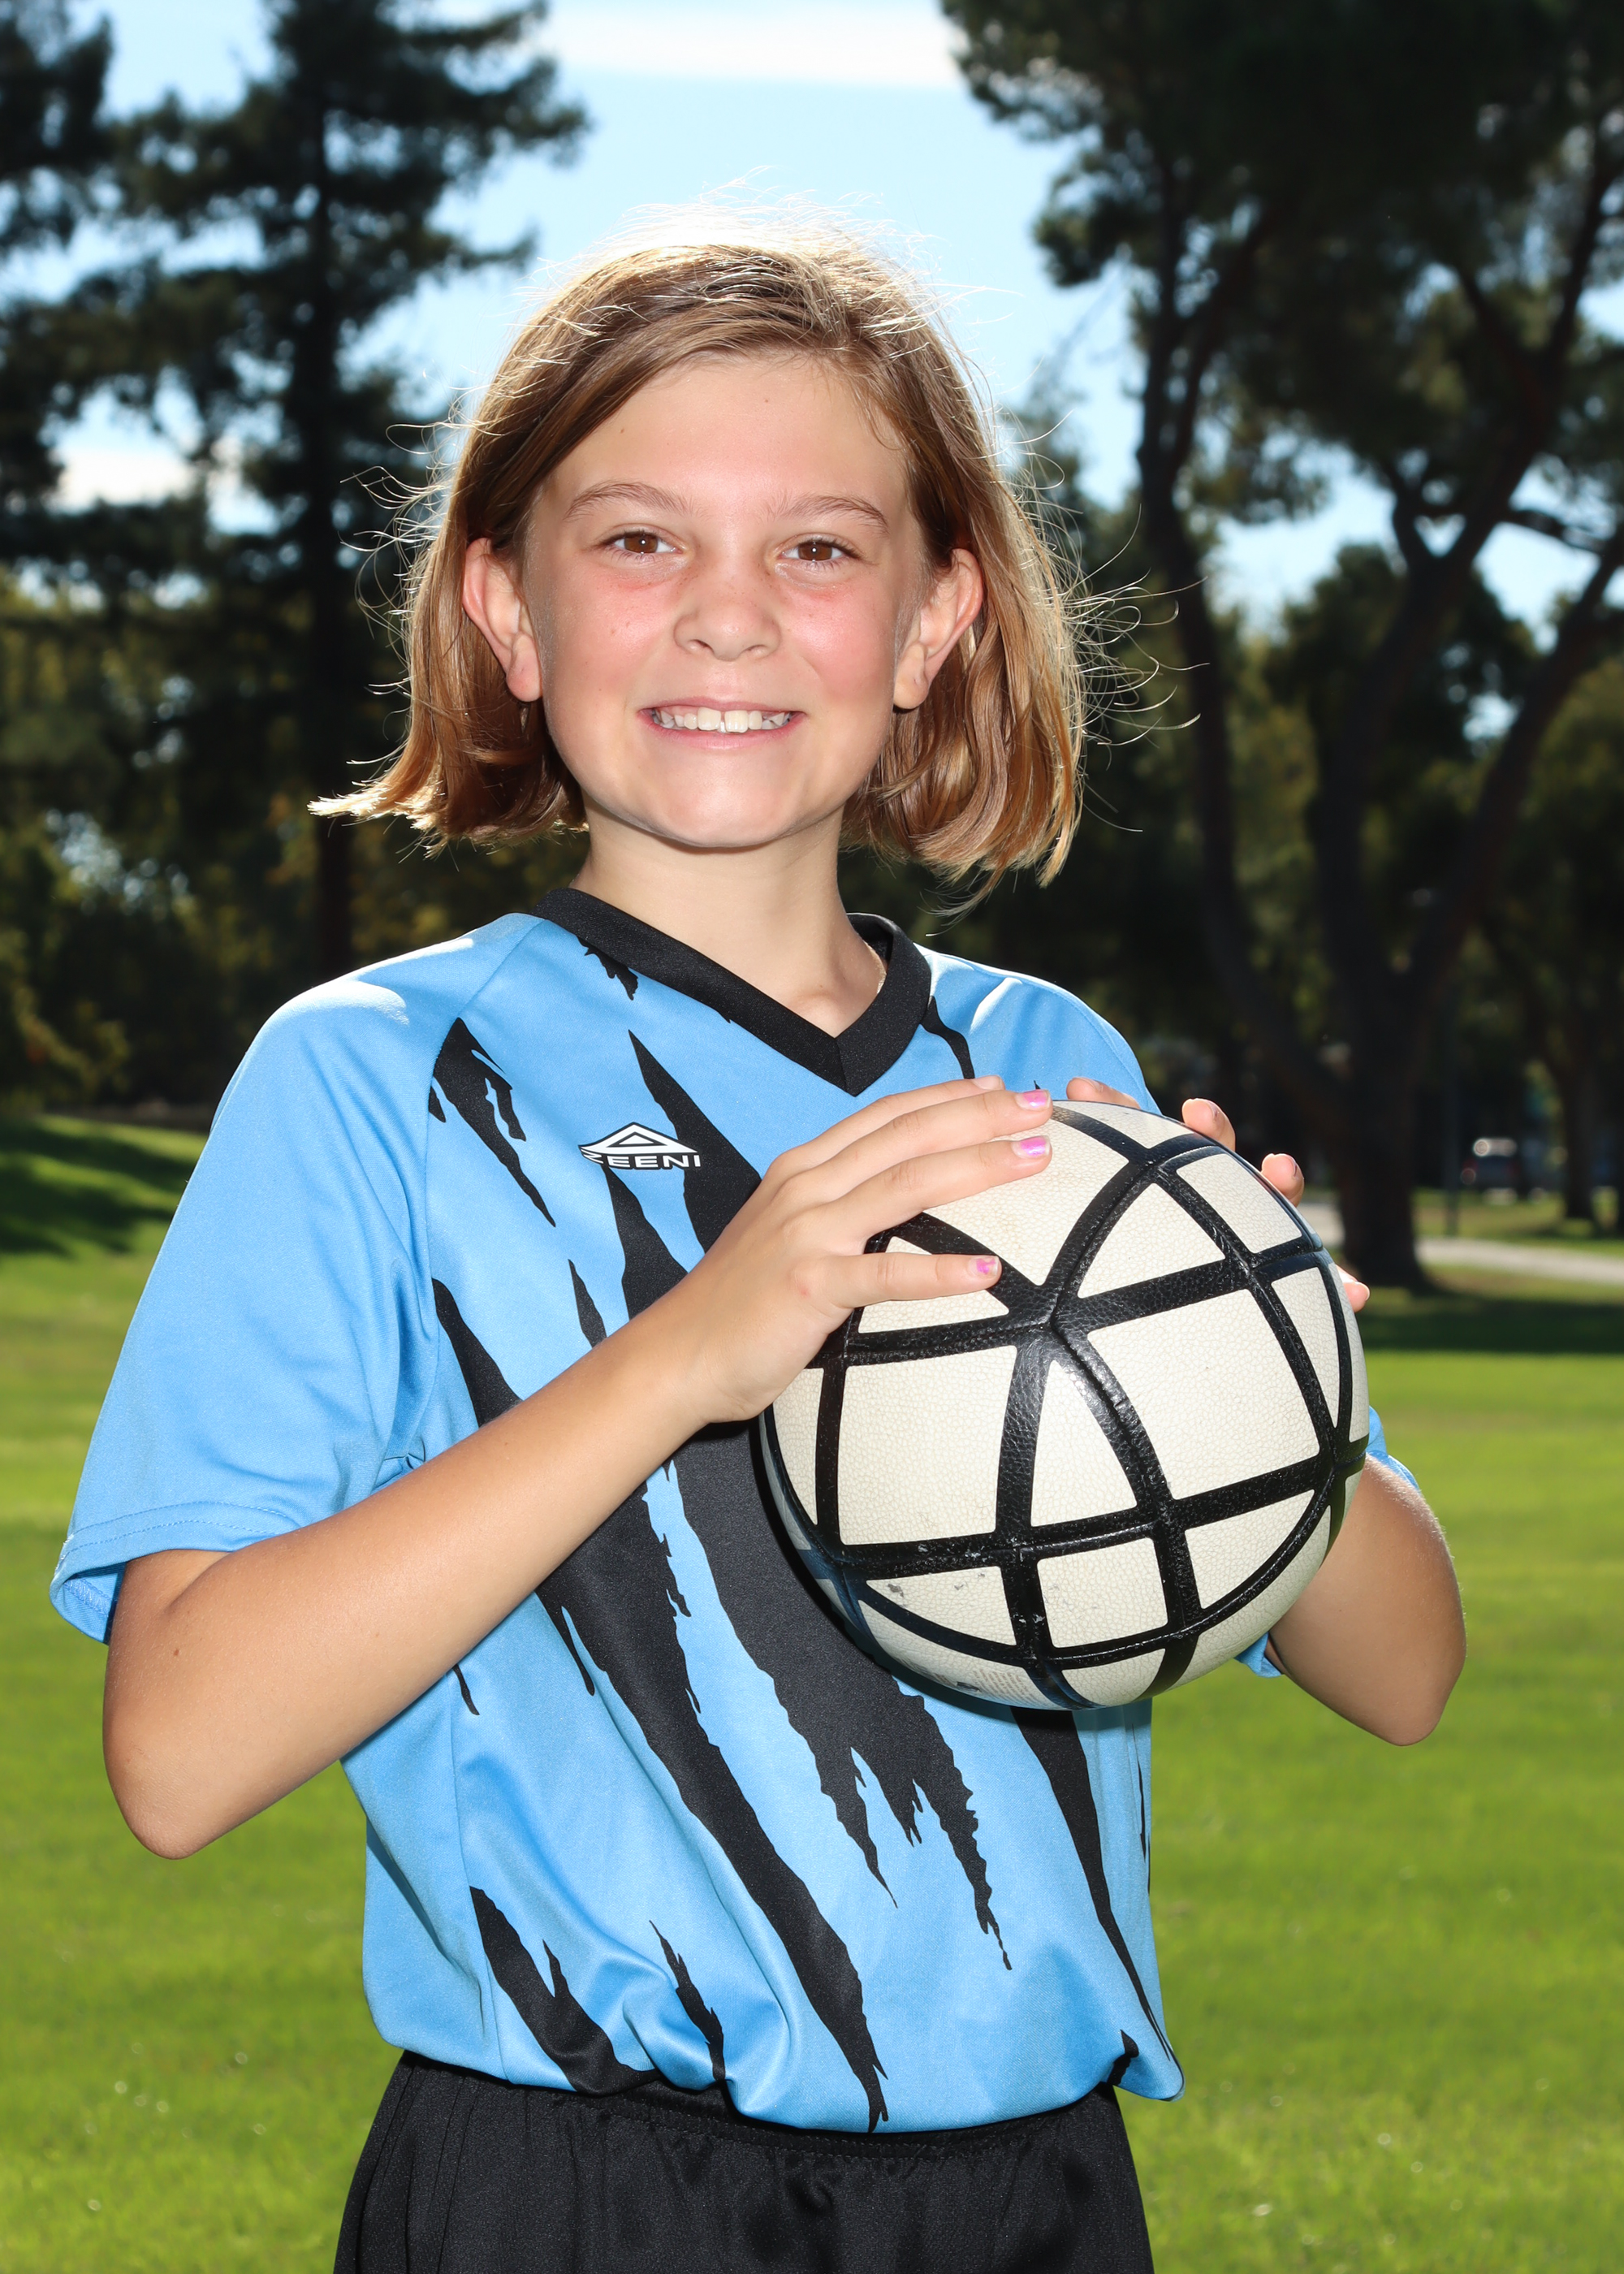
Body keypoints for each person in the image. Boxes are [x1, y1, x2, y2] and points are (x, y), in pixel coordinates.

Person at [51, 227, 1466, 2274]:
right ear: (505, 607)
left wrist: (1256, 1369)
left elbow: (1402, 1671)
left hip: (1034, 2190)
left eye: (817, 547)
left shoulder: (1038, 1079)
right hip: (569, 2189)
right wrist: (682, 1353)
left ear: (932, 619)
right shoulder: (377, 1077)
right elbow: (180, 1750)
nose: (727, 613)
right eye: (639, 540)